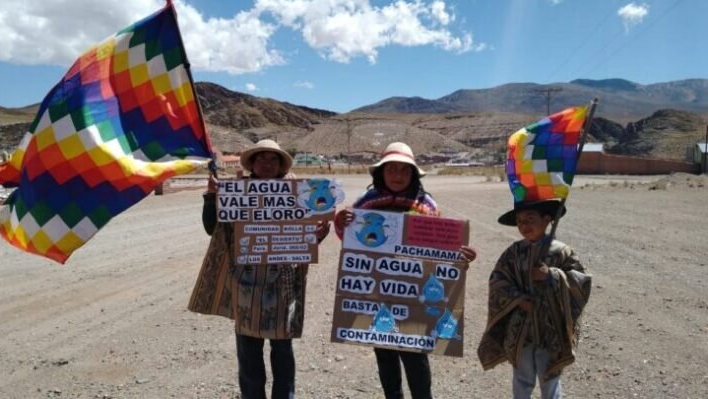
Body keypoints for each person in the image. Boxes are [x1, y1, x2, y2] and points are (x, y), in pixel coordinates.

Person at [188, 139, 331, 399]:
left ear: (281, 165)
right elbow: (213, 229)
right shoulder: (237, 192)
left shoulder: (300, 194)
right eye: (261, 158)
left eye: (273, 159)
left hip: (284, 285)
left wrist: (319, 234)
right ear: (253, 163)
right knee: (249, 356)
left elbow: (304, 238)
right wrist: (211, 198)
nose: (267, 163)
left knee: (283, 355)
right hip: (247, 285)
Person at [334, 142, 477, 399]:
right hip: (377, 293)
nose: (398, 175)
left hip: (415, 296)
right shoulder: (365, 204)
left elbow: (441, 253)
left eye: (404, 170)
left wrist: (461, 256)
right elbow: (352, 244)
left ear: (413, 175)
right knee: (385, 356)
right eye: (392, 170)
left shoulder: (427, 206)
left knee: (416, 357)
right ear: (381, 174)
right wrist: (341, 223)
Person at [477, 199, 592, 399]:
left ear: (547, 220)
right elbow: (498, 279)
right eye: (520, 221)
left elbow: (581, 281)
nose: (524, 226)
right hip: (520, 329)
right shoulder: (513, 252)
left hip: (552, 329)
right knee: (522, 377)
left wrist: (552, 275)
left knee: (550, 376)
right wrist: (519, 299)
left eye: (530, 219)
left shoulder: (561, 251)